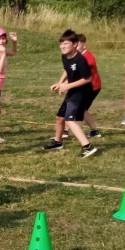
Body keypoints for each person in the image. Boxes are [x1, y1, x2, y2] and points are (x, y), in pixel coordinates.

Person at [43, 30, 98, 158]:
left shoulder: (80, 59)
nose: (62, 46)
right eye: (61, 43)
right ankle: (58, 142)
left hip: (82, 92)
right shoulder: (65, 56)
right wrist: (60, 83)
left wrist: (67, 86)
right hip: (73, 90)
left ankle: (87, 147)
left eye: (66, 43)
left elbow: (88, 78)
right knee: (60, 117)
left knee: (69, 119)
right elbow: (68, 70)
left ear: (75, 44)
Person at [76, 33, 102, 139]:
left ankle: (67, 130)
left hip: (92, 87)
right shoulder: (78, 56)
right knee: (80, 108)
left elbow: (86, 69)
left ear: (84, 45)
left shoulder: (88, 56)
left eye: (77, 45)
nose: (75, 47)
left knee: (79, 108)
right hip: (87, 87)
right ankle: (94, 131)